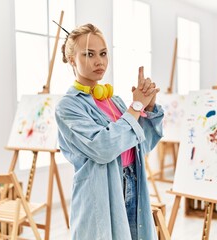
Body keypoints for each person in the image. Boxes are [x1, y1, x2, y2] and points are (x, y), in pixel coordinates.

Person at [55, 23, 164, 240]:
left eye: (103, 54)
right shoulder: (68, 106)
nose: (99, 61)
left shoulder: (113, 100)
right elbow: (103, 147)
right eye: (89, 54)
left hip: (133, 181)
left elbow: (141, 147)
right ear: (71, 59)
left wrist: (148, 108)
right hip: (101, 191)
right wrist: (135, 108)